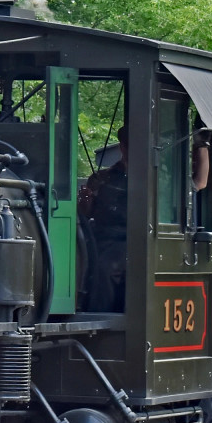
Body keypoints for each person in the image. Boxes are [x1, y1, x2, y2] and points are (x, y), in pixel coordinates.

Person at [79, 127, 132, 309]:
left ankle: (100, 312)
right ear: (122, 147)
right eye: (126, 145)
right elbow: (86, 213)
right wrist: (86, 200)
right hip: (98, 237)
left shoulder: (152, 178)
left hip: (129, 240)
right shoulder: (102, 178)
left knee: (106, 266)